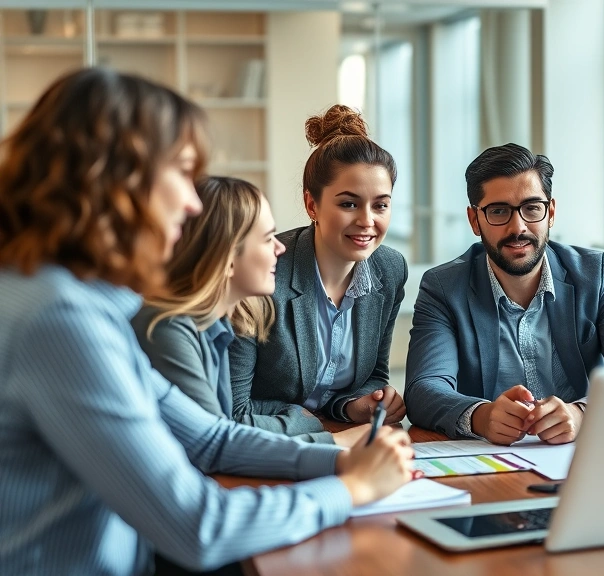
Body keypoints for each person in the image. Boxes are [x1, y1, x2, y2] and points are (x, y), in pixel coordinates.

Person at [0, 68, 417, 575]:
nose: (194, 202)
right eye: (181, 172)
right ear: (114, 181)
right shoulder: (60, 321)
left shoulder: (85, 304)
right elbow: (200, 527)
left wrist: (340, 461)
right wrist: (350, 488)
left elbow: (209, 437)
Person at [404, 143, 604, 445]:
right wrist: (482, 417)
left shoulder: (596, 274)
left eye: (532, 208)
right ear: (475, 221)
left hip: (578, 455)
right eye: (499, 211)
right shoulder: (444, 287)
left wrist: (581, 414)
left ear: (550, 213)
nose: (518, 227)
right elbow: (424, 389)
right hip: (489, 461)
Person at [132, 176, 366, 446]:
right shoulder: (167, 330)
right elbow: (218, 442)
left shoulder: (214, 326)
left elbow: (223, 420)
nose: (280, 248)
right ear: (228, 257)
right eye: (268, 239)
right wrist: (336, 443)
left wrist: (305, 421)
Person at [229, 105, 408, 437]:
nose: (367, 221)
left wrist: (353, 404)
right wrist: (312, 423)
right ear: (312, 205)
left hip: (344, 442)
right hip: (264, 451)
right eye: (348, 204)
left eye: (381, 205)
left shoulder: (390, 269)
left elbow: (373, 373)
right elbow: (233, 409)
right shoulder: (263, 274)